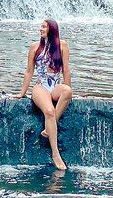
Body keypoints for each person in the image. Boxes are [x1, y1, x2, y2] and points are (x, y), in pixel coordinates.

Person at [16, 18, 73, 171]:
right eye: (41, 27)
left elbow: (66, 70)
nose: (41, 29)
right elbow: (29, 71)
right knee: (49, 111)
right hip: (41, 87)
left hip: (55, 86)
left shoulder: (62, 45)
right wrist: (22, 93)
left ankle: (49, 128)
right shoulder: (35, 47)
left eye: (44, 27)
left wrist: (68, 87)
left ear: (52, 30)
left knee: (67, 91)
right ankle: (55, 153)